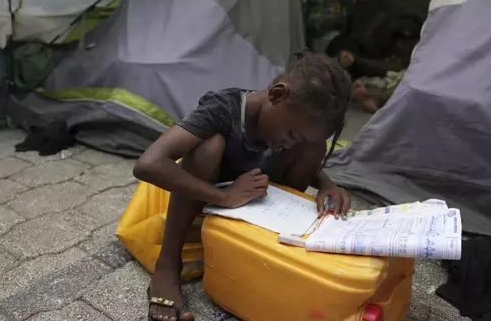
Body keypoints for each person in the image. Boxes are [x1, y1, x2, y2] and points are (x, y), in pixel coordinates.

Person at [133, 51, 353, 321]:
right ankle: (167, 265)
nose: (291, 142)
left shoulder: (287, 131)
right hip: (205, 198)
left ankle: (262, 249)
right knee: (208, 147)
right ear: (277, 95)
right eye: (292, 134)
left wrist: (326, 184)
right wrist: (223, 196)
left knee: (313, 147)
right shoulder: (223, 108)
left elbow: (304, 145)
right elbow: (148, 164)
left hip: (251, 205)